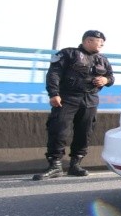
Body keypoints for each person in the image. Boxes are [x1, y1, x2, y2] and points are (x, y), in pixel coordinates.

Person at [33, 30, 115, 180]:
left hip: (90, 99)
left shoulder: (102, 59)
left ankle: (75, 165)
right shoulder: (67, 53)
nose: (102, 44)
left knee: (84, 132)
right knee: (58, 130)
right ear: (88, 41)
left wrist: (106, 80)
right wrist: (54, 93)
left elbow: (111, 76)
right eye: (100, 41)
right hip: (67, 98)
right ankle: (55, 166)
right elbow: (54, 73)